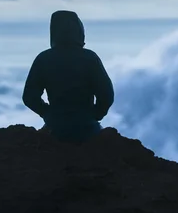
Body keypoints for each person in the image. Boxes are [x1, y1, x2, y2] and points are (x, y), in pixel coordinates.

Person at [22, 10, 114, 143]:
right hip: (87, 128)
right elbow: (106, 95)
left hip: (55, 128)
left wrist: (48, 114)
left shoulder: (44, 59)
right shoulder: (90, 58)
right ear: (79, 31)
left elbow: (29, 97)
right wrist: (95, 115)